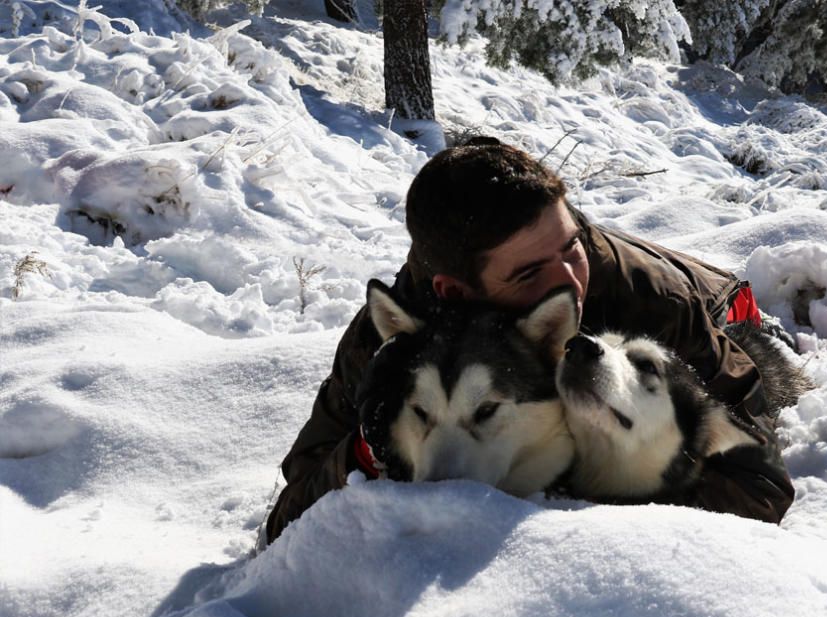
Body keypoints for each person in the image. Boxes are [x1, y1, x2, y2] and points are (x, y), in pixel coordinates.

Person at [263, 139, 794, 545]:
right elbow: (287, 521)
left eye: (571, 247)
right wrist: (365, 448)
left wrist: (564, 498)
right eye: (528, 274)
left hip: (722, 304)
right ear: (454, 292)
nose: (568, 284)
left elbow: (758, 487)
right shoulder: (400, 332)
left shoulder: (649, 305)